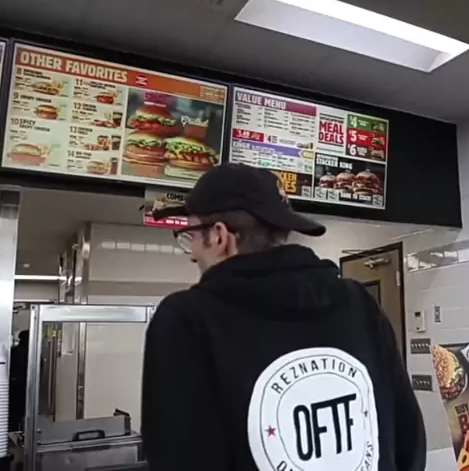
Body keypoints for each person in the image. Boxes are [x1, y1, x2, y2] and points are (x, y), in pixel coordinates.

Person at [141, 163, 425, 471]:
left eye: (191, 235)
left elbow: (180, 457)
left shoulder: (186, 320)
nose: (192, 252)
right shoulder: (359, 303)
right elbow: (408, 439)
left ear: (220, 236)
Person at [8, 330, 29, 432]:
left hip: (13, 385)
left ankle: (14, 431)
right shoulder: (31, 353)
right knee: (22, 411)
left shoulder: (13, 351)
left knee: (13, 413)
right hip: (24, 386)